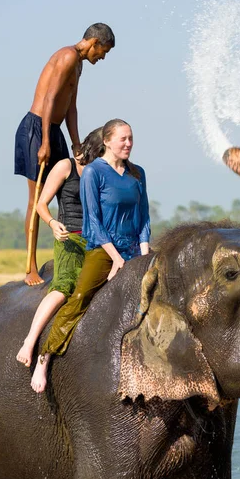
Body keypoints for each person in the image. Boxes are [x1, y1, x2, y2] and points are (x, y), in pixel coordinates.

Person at [31, 118, 151, 393]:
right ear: (107, 141)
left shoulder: (138, 173)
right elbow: (93, 223)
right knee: (80, 296)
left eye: (131, 138)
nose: (128, 143)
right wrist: (116, 257)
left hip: (134, 247)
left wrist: (143, 255)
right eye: (123, 138)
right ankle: (45, 355)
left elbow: (143, 217)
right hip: (103, 249)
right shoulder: (94, 172)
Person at [14, 23, 115, 286]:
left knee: (66, 190)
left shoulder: (79, 64)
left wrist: (75, 143)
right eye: (102, 51)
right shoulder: (68, 56)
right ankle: (30, 268)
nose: (102, 58)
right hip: (37, 128)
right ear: (93, 42)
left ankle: (70, 255)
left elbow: (71, 106)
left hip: (54, 129)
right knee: (35, 198)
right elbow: (49, 98)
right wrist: (45, 141)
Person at [16, 127, 104, 368]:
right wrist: (53, 223)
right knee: (64, 286)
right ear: (95, 149)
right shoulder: (66, 166)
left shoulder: (104, 172)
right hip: (69, 237)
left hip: (98, 239)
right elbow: (41, 203)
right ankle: (30, 340)